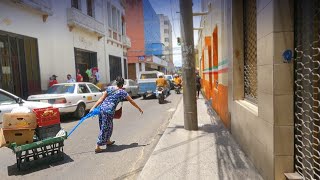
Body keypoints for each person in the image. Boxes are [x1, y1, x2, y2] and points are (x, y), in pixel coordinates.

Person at [90, 76, 143, 153]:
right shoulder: (122, 92)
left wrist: (93, 107)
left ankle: (107, 140)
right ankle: (97, 146)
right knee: (105, 127)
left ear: (116, 82)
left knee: (106, 126)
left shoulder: (109, 88)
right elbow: (131, 101)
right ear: (122, 84)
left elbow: (101, 99)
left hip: (101, 109)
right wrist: (139, 108)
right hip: (109, 111)